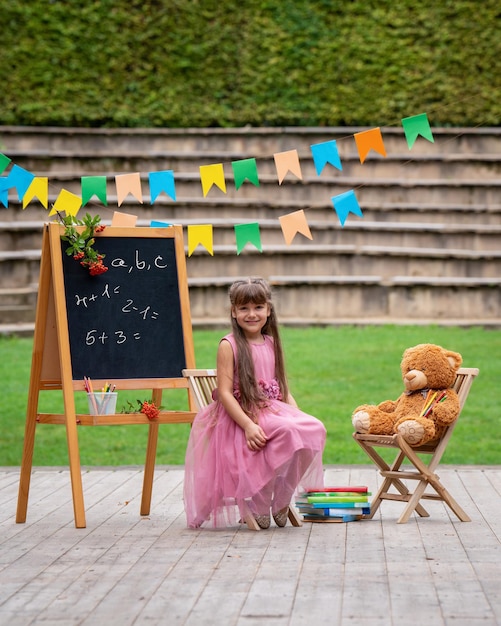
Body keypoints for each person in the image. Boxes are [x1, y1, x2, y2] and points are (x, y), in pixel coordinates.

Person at [184, 277, 326, 529]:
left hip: (272, 409)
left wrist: (296, 413)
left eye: (258, 307)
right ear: (233, 312)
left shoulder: (271, 342)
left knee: (314, 428)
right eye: (244, 308)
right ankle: (260, 502)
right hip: (242, 414)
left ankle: (281, 497)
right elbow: (226, 393)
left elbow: (282, 387)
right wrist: (248, 426)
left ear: (269, 310)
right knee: (287, 431)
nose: (252, 314)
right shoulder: (229, 345)